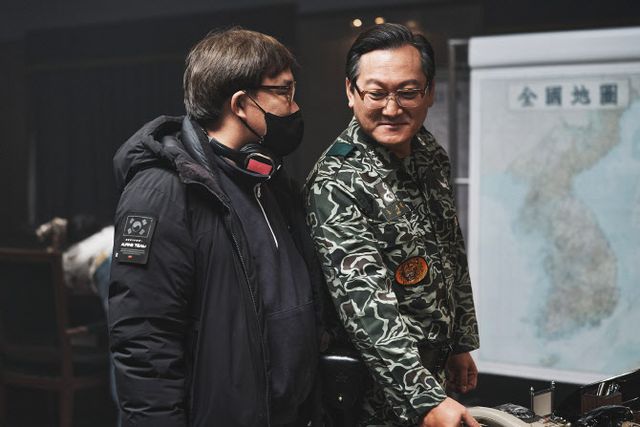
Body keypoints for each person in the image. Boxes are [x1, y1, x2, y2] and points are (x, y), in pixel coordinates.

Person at [109, 27, 323, 427]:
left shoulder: (269, 181)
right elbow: (145, 343)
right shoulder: (162, 192)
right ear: (241, 104)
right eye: (284, 91)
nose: (294, 106)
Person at [304, 23, 480, 427]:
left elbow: (450, 251)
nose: (392, 108)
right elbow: (366, 308)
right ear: (351, 92)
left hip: (431, 376)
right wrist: (425, 400)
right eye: (376, 93)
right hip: (375, 395)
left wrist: (459, 342)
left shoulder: (429, 153)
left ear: (429, 93)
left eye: (407, 92)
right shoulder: (336, 182)